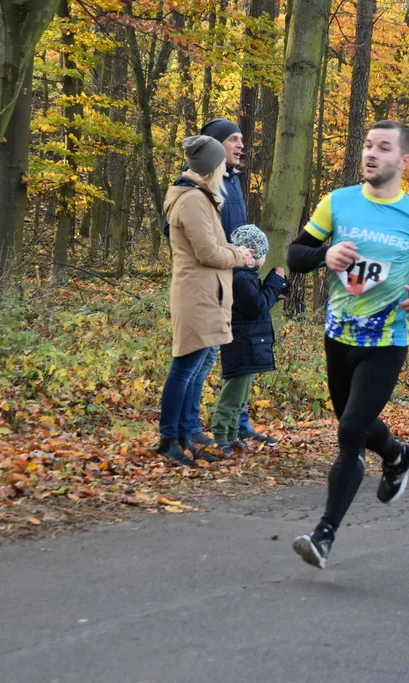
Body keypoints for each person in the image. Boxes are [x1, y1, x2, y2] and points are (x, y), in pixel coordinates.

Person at [285, 120, 409, 569]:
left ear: (403, 161)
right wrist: (324, 255)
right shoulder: (337, 203)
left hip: (386, 341)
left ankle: (323, 536)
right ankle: (399, 456)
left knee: (349, 433)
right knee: (353, 423)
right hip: (337, 337)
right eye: (367, 145)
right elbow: (294, 256)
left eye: (383, 148)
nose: (371, 153)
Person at [180, 118, 280, 454]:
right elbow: (177, 230)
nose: (241, 145)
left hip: (239, 276)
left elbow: (240, 230)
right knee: (204, 358)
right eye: (233, 139)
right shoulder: (195, 183)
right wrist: (221, 257)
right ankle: (190, 429)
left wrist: (251, 262)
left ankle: (240, 426)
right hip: (213, 281)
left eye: (241, 138)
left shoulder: (233, 180)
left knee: (243, 353)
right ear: (213, 144)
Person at [156, 135, 255, 466]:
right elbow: (208, 251)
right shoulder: (194, 200)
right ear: (212, 166)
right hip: (197, 294)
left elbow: (213, 246)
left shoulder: (199, 196)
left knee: (194, 366)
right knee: (184, 368)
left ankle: (183, 437)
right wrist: (239, 255)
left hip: (206, 292)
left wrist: (232, 253)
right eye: (221, 163)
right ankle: (169, 439)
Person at [209, 225, 290, 456]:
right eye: (264, 254)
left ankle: (232, 434)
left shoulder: (245, 277)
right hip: (241, 344)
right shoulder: (242, 278)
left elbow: (258, 304)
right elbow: (257, 307)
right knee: (233, 394)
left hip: (247, 343)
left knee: (241, 395)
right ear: (253, 255)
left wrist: (274, 289)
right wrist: (273, 284)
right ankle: (221, 436)